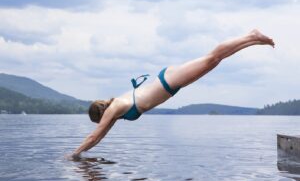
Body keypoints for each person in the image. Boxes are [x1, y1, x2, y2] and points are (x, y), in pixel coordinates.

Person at [70, 29, 275, 158]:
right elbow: (99, 137)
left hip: (167, 82)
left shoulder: (113, 108)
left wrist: (72, 155)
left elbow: (93, 136)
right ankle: (253, 40)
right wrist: (81, 154)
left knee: (212, 58)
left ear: (99, 115)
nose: (100, 125)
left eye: (98, 122)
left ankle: (251, 36)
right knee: (213, 60)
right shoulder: (115, 111)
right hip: (168, 83)